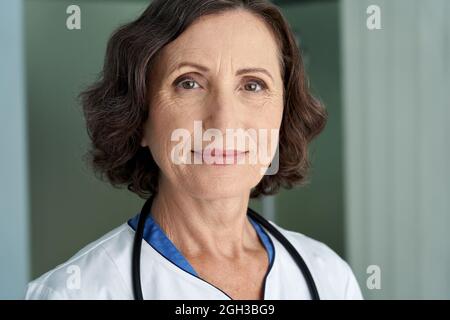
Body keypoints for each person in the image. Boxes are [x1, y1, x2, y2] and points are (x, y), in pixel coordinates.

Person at [25, 0, 363, 300]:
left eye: (252, 85)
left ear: (283, 114)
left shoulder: (329, 279)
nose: (223, 122)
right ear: (140, 116)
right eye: (189, 83)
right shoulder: (73, 292)